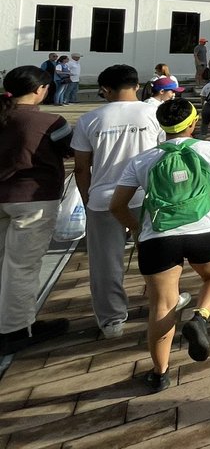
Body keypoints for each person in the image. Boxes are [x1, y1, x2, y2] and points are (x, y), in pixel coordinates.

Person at [109, 99, 210, 391]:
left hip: (158, 237)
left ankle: (160, 373)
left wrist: (137, 228)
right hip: (205, 231)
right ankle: (200, 317)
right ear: (193, 123)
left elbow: (116, 206)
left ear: (162, 126)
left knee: (162, 306)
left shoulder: (142, 160)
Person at [71, 64, 167, 337]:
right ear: (136, 86)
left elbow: (81, 167)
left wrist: (88, 198)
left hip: (103, 198)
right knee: (157, 253)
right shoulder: (154, 114)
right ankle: (164, 302)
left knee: (105, 261)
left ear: (105, 89)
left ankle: (112, 319)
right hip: (146, 195)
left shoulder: (90, 119)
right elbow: (165, 154)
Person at [0, 67, 72, 354]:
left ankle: (9, 322)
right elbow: (70, 150)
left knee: (4, 262)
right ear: (39, 89)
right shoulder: (50, 121)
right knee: (22, 266)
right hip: (33, 198)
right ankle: (16, 329)